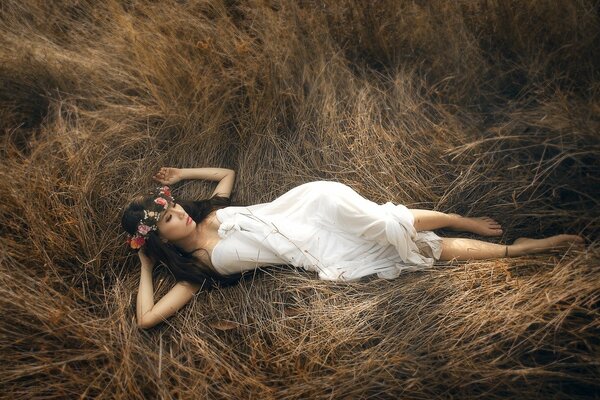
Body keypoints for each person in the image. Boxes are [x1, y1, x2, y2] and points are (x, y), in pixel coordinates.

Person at [121, 167, 585, 329]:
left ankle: (457, 219)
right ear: (159, 237)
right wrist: (145, 265)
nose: (179, 212)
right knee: (416, 252)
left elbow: (225, 175)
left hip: (312, 204)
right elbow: (146, 319)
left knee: (387, 220)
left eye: (173, 205)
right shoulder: (195, 272)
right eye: (167, 218)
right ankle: (521, 250)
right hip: (317, 250)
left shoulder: (206, 212)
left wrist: (182, 176)